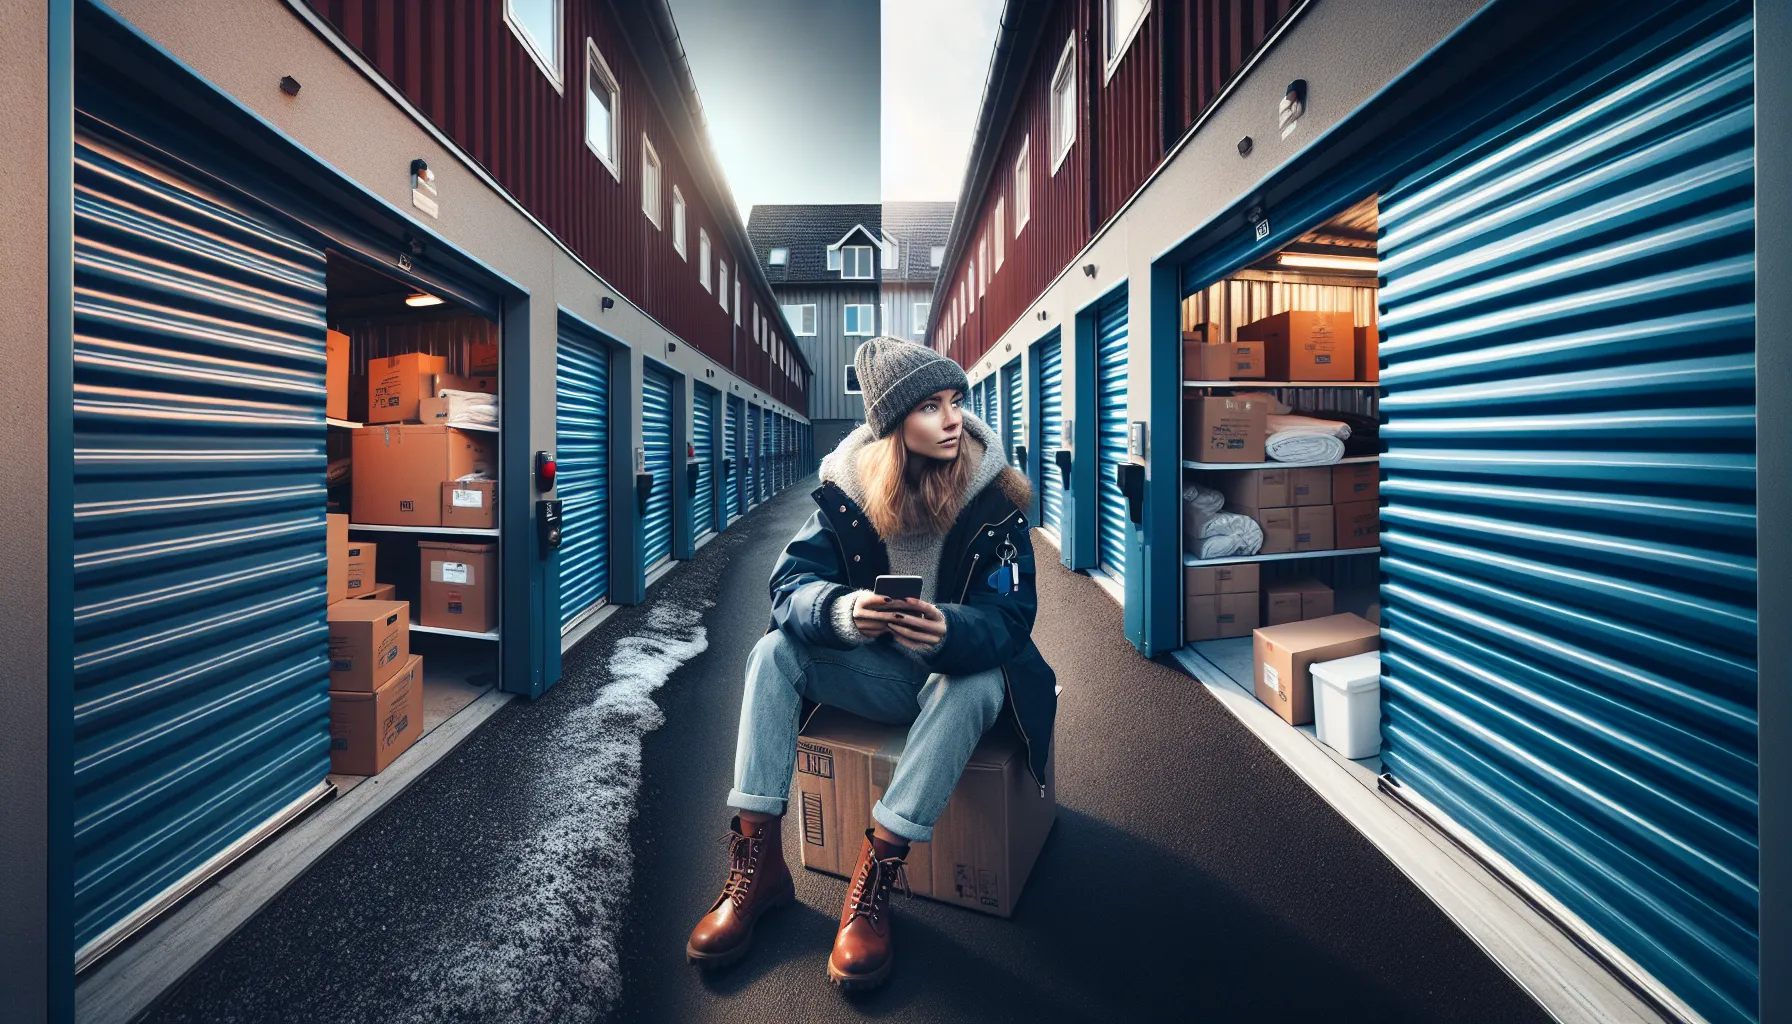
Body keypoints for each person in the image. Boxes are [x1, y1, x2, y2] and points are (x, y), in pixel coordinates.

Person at [685, 336, 1057, 991]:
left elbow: (1011, 620)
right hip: (887, 678)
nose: (952, 420)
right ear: (892, 426)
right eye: (930, 407)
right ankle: (758, 864)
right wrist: (842, 611)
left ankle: (877, 871)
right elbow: (789, 586)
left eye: (955, 402)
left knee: (968, 684)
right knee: (773, 652)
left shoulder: (994, 498)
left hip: (965, 681)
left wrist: (949, 629)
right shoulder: (849, 493)